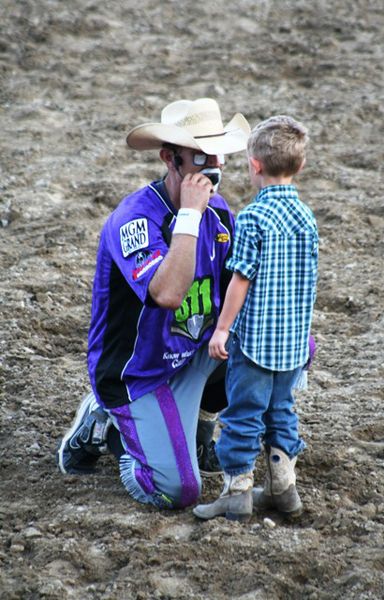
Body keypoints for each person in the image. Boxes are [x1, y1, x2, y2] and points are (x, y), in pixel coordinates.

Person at [56, 98, 251, 509]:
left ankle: (194, 429)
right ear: (170, 159)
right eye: (199, 156)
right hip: (138, 375)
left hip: (190, 355)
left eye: (216, 155)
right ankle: (108, 428)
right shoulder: (136, 220)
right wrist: (190, 218)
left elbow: (233, 290)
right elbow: (168, 294)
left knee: (278, 345)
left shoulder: (218, 212)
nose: (211, 168)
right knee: (177, 491)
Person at [193, 115, 319, 522]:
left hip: (255, 342)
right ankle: (284, 488)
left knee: (243, 413)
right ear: (299, 167)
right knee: (282, 409)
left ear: (254, 165)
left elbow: (241, 281)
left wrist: (224, 328)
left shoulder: (252, 219)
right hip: (293, 343)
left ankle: (237, 492)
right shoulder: (307, 218)